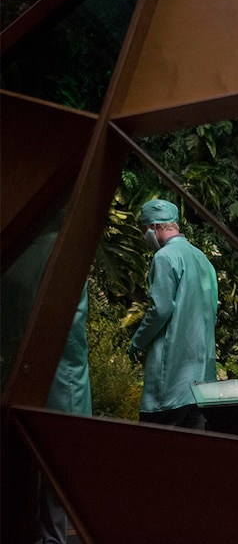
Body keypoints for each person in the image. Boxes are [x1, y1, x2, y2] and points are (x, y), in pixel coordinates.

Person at [0, 226, 91, 544]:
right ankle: (54, 538)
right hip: (62, 370)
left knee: (33, 460)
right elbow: (71, 324)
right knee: (57, 461)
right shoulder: (64, 252)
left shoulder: (27, 251)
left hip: (27, 369)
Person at [128, 199, 218, 429]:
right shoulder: (203, 260)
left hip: (170, 379)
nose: (144, 236)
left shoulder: (165, 257)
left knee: (157, 453)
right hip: (201, 383)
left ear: (154, 227)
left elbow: (161, 309)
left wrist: (138, 341)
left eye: (144, 230)